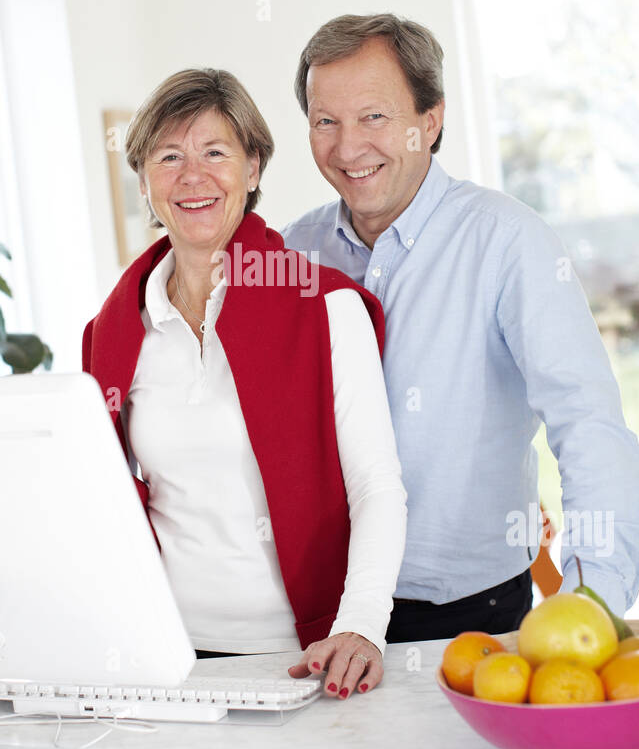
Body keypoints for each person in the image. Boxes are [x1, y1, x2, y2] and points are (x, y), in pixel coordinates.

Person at [281, 13, 639, 642]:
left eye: (374, 116)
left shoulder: (507, 242)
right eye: (325, 121)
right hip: (324, 612)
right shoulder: (292, 253)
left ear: (430, 121)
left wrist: (595, 600)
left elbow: (587, 423)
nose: (347, 148)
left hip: (468, 614)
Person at [82, 67, 407, 698]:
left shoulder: (324, 308)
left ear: (253, 168)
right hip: (167, 656)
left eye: (215, 153)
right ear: (146, 181)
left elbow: (376, 483)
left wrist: (362, 625)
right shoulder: (114, 331)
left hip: (306, 654)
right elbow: (101, 498)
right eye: (169, 156)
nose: (192, 177)